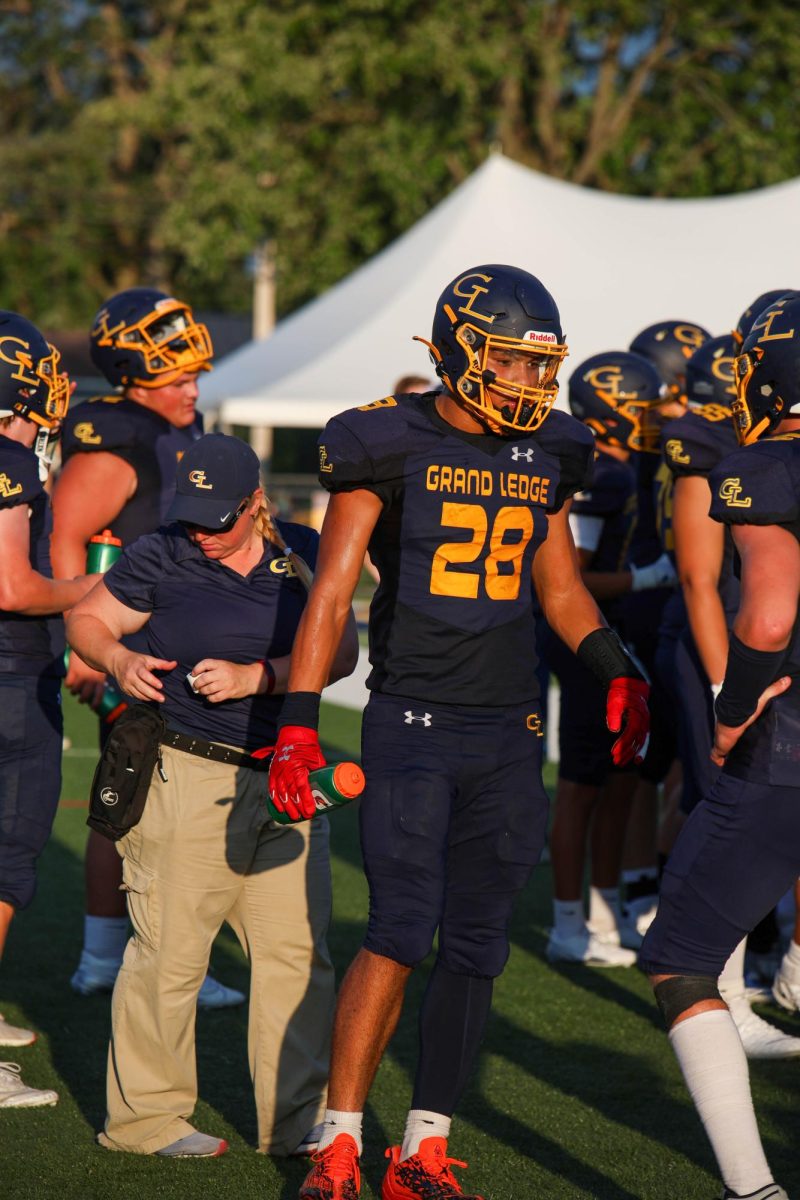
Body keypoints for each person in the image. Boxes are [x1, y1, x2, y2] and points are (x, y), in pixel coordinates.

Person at [268, 265, 651, 1200]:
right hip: (414, 719)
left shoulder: (556, 448)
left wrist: (619, 671)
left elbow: (559, 590)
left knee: (478, 942)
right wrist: (297, 724)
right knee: (400, 927)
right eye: (516, 361)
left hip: (511, 725)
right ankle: (341, 1139)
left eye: (539, 363)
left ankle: (424, 1147)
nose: (532, 381)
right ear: (462, 350)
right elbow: (332, 586)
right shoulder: (382, 440)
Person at [66, 432, 358, 1157]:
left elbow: (344, 650)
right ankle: (145, 1124)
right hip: (185, 772)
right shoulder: (163, 550)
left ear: (255, 503)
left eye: (215, 519)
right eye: (189, 516)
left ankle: (290, 1125)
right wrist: (118, 657)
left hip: (285, 779)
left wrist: (260, 676)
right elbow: (88, 619)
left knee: (298, 959)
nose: (200, 533)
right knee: (168, 955)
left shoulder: (303, 549)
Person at [640, 291, 800, 1200]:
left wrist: (733, 707)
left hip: (787, 748)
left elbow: (769, 611)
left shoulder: (765, 464)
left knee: (681, 956)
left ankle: (753, 1188)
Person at [52, 287, 241, 1008]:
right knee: (137, 802)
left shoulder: (163, 431)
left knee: (136, 801)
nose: (193, 386)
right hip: (129, 646)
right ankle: (114, 957)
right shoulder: (118, 438)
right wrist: (85, 647)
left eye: (195, 372)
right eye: (176, 376)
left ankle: (112, 956)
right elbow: (68, 534)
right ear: (134, 376)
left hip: (158, 641)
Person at [545, 350, 670, 967]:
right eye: (642, 408)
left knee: (623, 777)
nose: (653, 419)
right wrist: (646, 580)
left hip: (617, 641)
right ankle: (568, 923)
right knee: (581, 783)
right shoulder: (604, 473)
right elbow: (572, 578)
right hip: (586, 641)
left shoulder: (629, 468)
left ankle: (603, 905)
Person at [0, 313, 97, 1107]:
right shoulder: (8, 461)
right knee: (5, 863)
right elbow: (14, 588)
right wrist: (99, 590)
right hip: (7, 680)